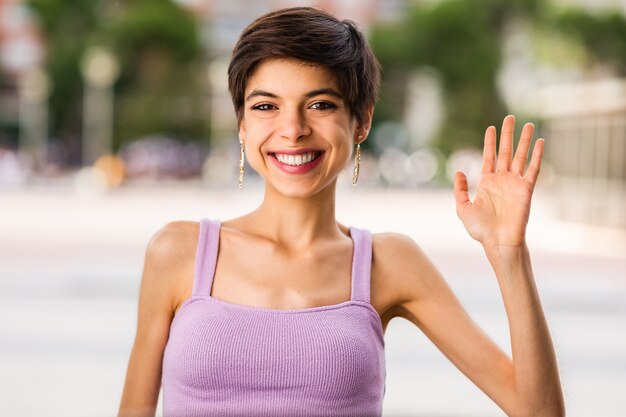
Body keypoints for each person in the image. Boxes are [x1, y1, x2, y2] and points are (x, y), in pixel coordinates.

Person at [118, 7, 564, 417]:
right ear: (242, 124)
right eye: (266, 106)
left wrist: (510, 254)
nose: (292, 130)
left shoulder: (390, 264)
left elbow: (538, 411)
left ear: (362, 120)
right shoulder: (178, 252)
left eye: (320, 104)